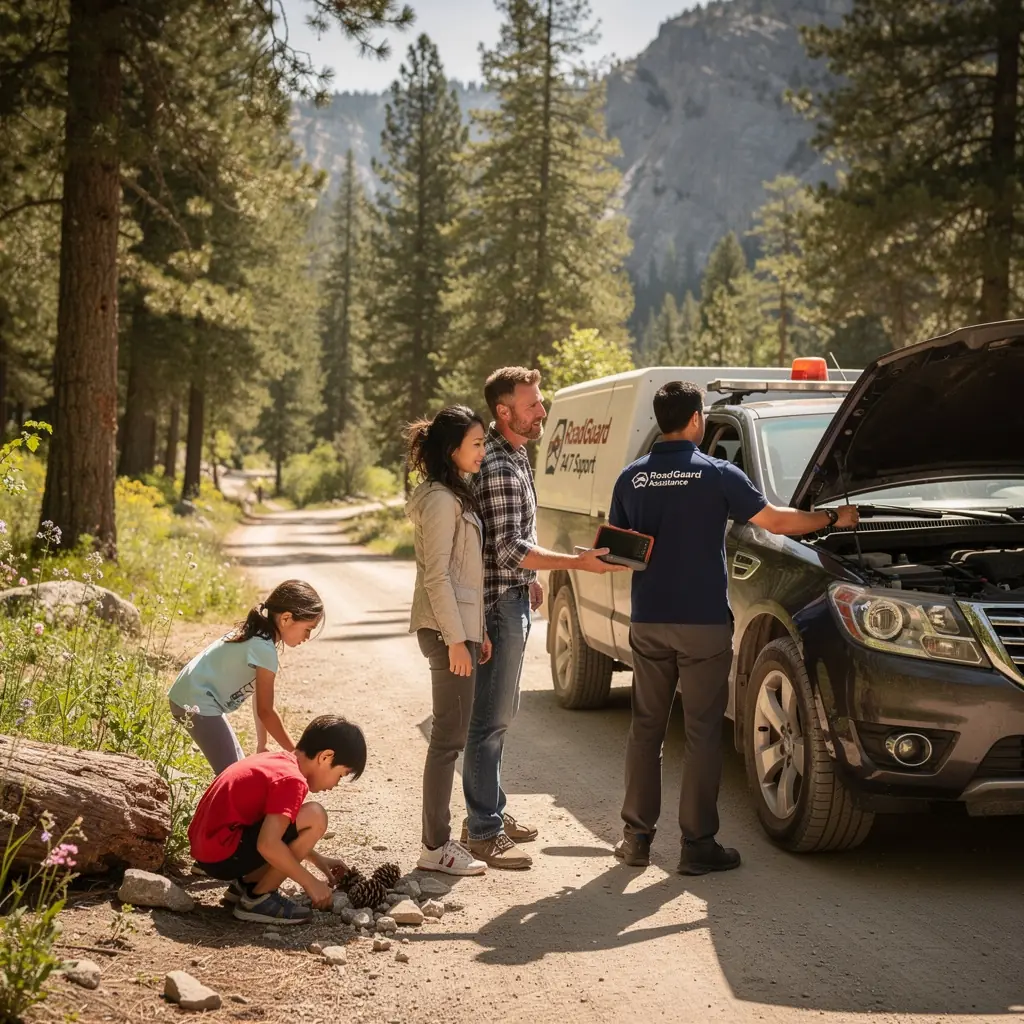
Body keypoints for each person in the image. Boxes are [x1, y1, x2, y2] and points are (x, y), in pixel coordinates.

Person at [609, 381, 859, 875]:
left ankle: (636, 839)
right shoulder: (717, 473)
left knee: (646, 729)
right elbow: (778, 523)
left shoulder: (631, 477)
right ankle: (697, 845)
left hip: (649, 619)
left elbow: (618, 549)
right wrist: (834, 516)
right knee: (702, 732)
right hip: (702, 624)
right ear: (696, 419)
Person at [463, 366, 625, 870]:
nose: (542, 411)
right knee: (489, 720)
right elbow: (510, 548)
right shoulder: (496, 463)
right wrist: (576, 563)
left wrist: (532, 577)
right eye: (532, 404)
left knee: (502, 713)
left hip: (512, 596)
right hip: (497, 605)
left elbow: (513, 539)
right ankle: (482, 830)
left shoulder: (517, 454)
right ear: (503, 411)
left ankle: (490, 810)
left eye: (540, 401)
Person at [406, 406, 492, 877]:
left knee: (450, 737)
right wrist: (456, 640)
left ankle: (436, 843)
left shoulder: (456, 493)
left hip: (458, 629)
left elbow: (463, 577)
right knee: (447, 741)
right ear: (452, 448)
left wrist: (477, 632)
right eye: (475, 444)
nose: (482, 451)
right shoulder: (441, 500)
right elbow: (437, 577)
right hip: (445, 631)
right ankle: (435, 847)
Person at [188, 714, 365, 924]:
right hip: (222, 856)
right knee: (316, 816)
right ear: (326, 757)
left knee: (295, 821)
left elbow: (275, 829)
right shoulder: (293, 780)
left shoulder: (279, 762)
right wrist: (310, 883)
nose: (336, 784)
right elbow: (268, 844)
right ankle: (258, 897)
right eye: (341, 775)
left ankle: (247, 883)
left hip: (212, 850)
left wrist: (317, 859)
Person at [168, 580, 324, 774]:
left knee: (237, 770)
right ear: (286, 619)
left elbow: (261, 702)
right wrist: (297, 755)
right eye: (308, 629)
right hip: (196, 702)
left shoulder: (258, 635)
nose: (307, 637)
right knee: (234, 775)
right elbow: (266, 711)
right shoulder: (264, 648)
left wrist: (262, 744)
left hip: (192, 697)